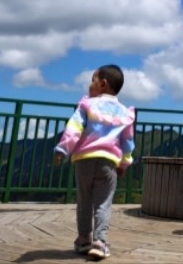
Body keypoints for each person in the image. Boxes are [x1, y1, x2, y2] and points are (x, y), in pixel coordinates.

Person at [54, 64, 135, 260]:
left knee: (84, 200)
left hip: (85, 160)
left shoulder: (87, 105)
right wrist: (124, 163)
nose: (90, 85)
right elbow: (127, 142)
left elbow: (74, 128)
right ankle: (100, 242)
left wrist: (62, 149)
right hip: (108, 163)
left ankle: (84, 240)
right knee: (103, 203)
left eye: (93, 80)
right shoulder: (125, 113)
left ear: (103, 84)